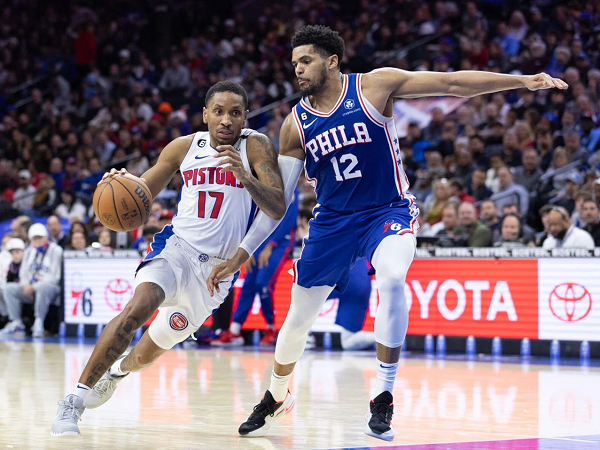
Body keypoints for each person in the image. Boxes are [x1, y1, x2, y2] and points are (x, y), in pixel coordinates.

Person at [205, 25, 566, 441]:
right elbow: (277, 203)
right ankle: (276, 394)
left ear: (332, 61)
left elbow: (451, 84)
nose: (298, 70)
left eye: (305, 61)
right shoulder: (294, 125)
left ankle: (383, 396)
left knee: (393, 279)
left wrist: (521, 80)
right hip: (332, 222)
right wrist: (243, 251)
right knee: (297, 321)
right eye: (294, 64)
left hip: (387, 209)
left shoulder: (376, 86)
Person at [51, 81, 291, 436]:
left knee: (146, 354)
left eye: (235, 113)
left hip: (215, 272)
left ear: (245, 117)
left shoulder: (254, 146)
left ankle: (118, 372)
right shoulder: (184, 147)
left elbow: (277, 206)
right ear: (206, 114)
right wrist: (120, 183)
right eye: (219, 112)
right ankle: (74, 399)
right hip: (176, 249)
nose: (227, 120)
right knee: (139, 307)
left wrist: (244, 174)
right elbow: (141, 192)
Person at [212, 193, 298, 347]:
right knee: (249, 285)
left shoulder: (289, 183)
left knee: (263, 284)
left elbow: (289, 219)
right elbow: (250, 215)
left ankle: (271, 329)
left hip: (279, 242)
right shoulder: (257, 182)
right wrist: (246, 247)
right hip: (258, 241)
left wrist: (271, 245)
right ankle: (235, 330)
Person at [0, 224, 63, 338]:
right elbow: (23, 272)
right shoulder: (29, 251)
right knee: (8, 288)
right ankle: (16, 322)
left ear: (46, 237)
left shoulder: (56, 250)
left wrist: (34, 286)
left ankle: (39, 322)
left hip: (51, 288)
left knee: (42, 287)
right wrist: (25, 285)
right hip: (30, 287)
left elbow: (55, 276)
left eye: (40, 237)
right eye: (35, 238)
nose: (37, 241)